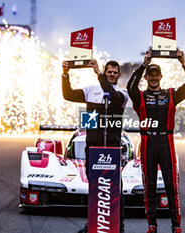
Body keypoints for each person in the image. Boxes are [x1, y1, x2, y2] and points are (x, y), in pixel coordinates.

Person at [127, 50, 185, 233]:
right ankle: (152, 224)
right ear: (146, 77)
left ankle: (176, 226)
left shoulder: (171, 94)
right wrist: (143, 63)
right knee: (149, 186)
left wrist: (184, 62)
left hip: (167, 141)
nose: (153, 78)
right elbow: (130, 86)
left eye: (156, 75)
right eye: (149, 75)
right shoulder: (140, 96)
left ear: (161, 76)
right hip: (148, 142)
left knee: (171, 186)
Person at [62, 59, 128, 233]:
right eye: (109, 72)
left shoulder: (122, 93)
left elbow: (112, 97)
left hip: (112, 147)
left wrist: (99, 74)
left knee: (115, 186)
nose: (112, 74)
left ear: (119, 75)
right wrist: (65, 73)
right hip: (92, 145)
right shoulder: (90, 90)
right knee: (94, 185)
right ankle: (92, 223)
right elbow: (67, 95)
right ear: (106, 73)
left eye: (115, 72)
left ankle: (119, 225)